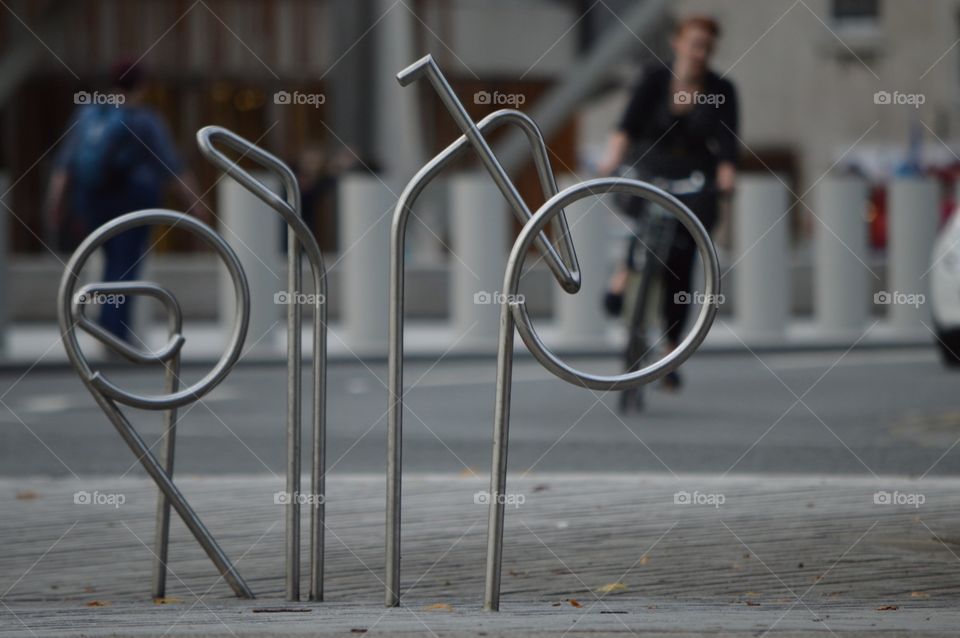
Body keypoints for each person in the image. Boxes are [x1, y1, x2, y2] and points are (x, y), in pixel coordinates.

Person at [597, 14, 739, 391]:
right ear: (678, 42)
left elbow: (727, 145)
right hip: (652, 169)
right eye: (694, 44)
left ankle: (671, 353)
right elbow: (625, 127)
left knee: (681, 266)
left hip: (694, 178)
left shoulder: (721, 89)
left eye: (706, 47)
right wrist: (609, 163)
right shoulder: (654, 79)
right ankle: (624, 275)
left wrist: (726, 176)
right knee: (644, 223)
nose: (699, 53)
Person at [46, 60, 207, 343]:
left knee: (111, 263)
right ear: (142, 86)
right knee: (126, 266)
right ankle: (114, 332)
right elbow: (171, 168)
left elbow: (65, 166)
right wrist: (196, 203)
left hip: (93, 203)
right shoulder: (144, 120)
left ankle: (108, 326)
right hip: (133, 205)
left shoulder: (87, 114)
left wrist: (55, 203)